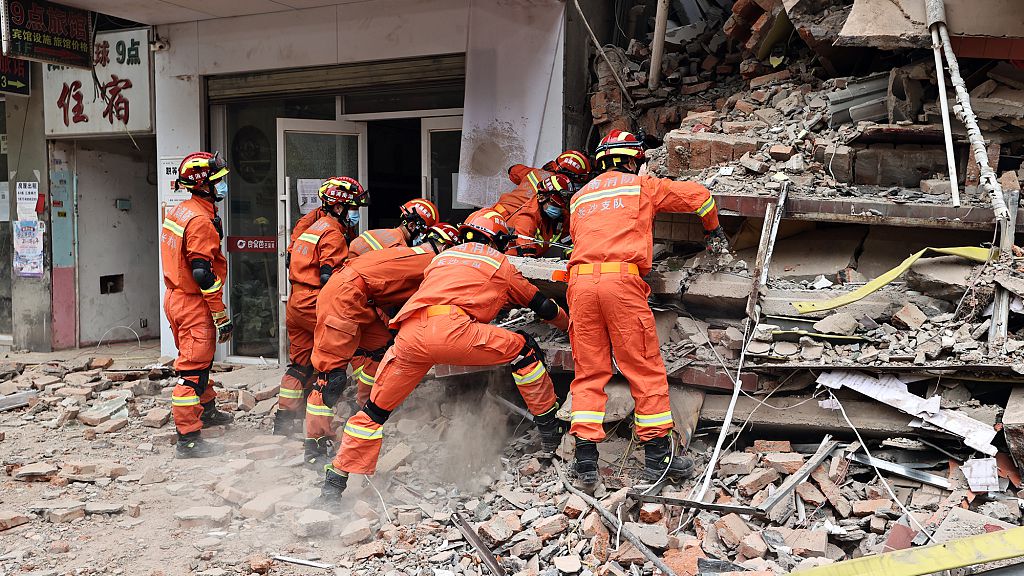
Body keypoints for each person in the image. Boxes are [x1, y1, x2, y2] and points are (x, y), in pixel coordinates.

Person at [319, 209, 570, 501]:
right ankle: (550, 427)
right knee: (523, 348)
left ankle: (334, 483)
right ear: (498, 240)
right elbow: (543, 307)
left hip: (410, 336)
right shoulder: (498, 262)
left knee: (374, 413)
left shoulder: (440, 259)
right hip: (454, 330)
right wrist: (570, 325)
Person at [566, 129, 727, 491]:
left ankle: (586, 464)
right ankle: (658, 460)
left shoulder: (579, 197)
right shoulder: (641, 187)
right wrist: (713, 231)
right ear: (633, 160)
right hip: (621, 283)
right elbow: (700, 197)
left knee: (589, 373)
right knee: (643, 369)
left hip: (579, 284)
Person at [301, 224, 461, 466]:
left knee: (382, 351)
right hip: (344, 296)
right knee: (330, 377)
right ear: (448, 248)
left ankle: (361, 410)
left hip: (360, 298)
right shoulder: (429, 263)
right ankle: (315, 444)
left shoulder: (416, 255)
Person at [273, 177, 369, 437]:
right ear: (338, 208)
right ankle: (359, 408)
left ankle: (284, 419)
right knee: (349, 351)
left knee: (301, 363)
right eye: (352, 207)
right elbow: (331, 277)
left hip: (296, 302)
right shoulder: (333, 233)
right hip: (315, 301)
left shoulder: (311, 226)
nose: (356, 213)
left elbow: (292, 259)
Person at [159, 151, 235, 458]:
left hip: (176, 299)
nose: (223, 185)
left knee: (198, 362)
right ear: (203, 185)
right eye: (218, 181)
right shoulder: (201, 221)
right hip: (193, 304)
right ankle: (188, 440)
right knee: (192, 372)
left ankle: (208, 410)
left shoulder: (180, 211)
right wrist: (220, 314)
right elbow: (203, 273)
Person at [496, 151, 592, 221]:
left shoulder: (536, 172)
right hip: (515, 224)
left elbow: (513, 171)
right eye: (578, 182)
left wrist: (543, 169)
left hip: (495, 213)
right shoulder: (562, 195)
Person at [505, 173, 575, 258]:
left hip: (535, 256)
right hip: (512, 259)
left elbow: (568, 243)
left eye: (561, 206)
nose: (559, 209)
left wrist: (574, 258)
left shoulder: (562, 214)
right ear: (542, 198)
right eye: (555, 204)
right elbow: (527, 256)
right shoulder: (527, 218)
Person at [348, 198, 439, 256]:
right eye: (422, 232)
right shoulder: (400, 249)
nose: (422, 238)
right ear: (411, 226)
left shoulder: (373, 232)